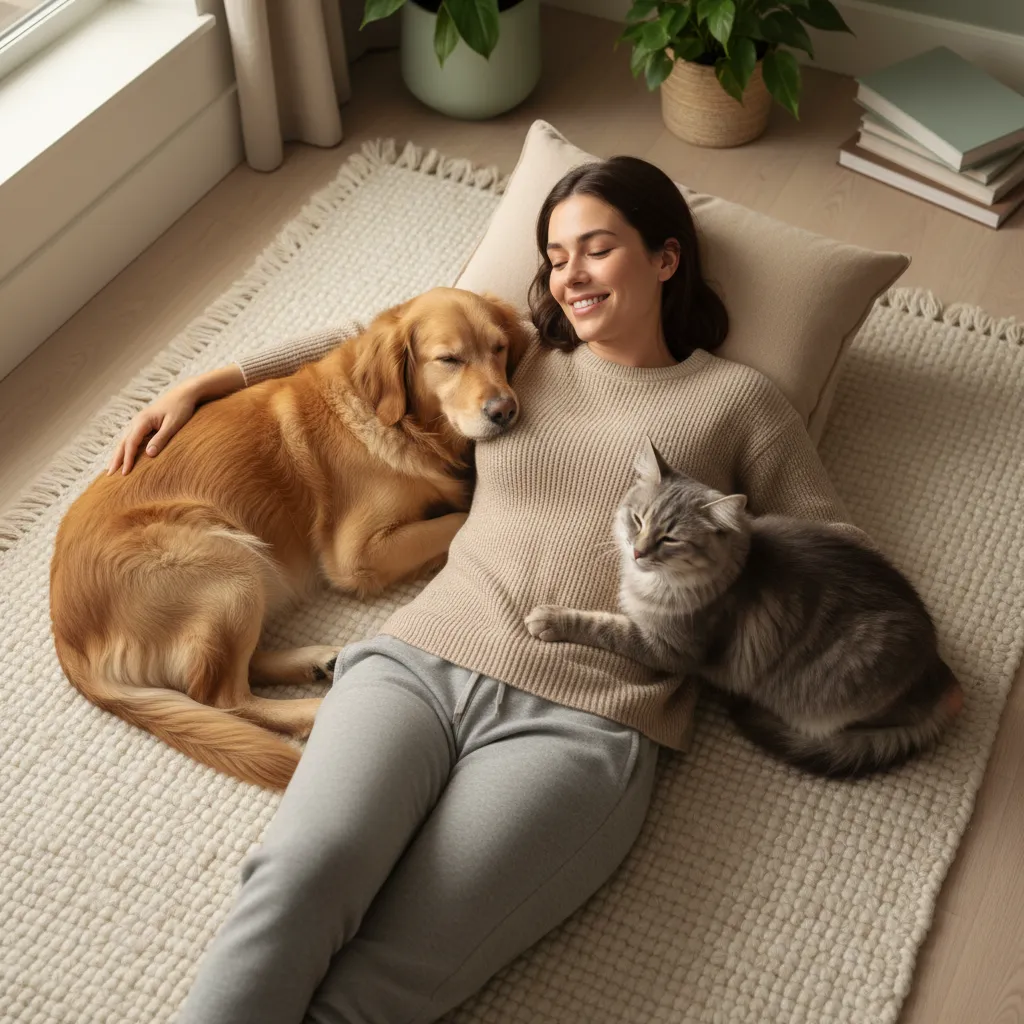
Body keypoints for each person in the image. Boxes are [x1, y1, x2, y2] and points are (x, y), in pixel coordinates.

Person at [112, 157, 856, 1024]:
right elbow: (373, 338)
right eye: (556, 257)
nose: (571, 275)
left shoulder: (739, 401)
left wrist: (730, 594)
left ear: (664, 258)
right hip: (418, 661)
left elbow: (832, 549)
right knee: (297, 880)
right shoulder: (519, 359)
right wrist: (212, 381)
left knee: (391, 969)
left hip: (583, 720)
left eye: (597, 249)